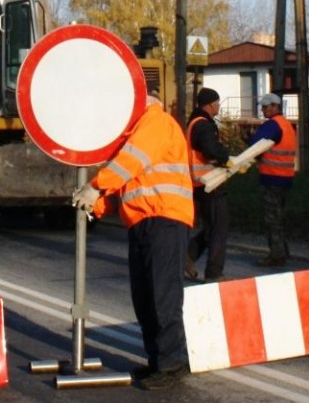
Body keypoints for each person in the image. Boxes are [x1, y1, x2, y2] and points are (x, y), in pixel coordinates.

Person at [72, 92, 193, 391]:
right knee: (145, 297)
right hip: (144, 221)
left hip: (164, 218)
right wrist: (96, 204)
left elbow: (129, 164)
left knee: (161, 295)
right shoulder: (138, 131)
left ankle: (171, 363)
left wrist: (96, 186)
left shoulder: (156, 122)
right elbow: (124, 180)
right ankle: (158, 360)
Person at [185, 88, 231, 282]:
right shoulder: (203, 125)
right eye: (217, 103)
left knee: (212, 227)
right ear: (210, 104)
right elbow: (211, 150)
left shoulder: (195, 122)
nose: (219, 106)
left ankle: (187, 257)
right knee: (219, 228)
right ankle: (214, 273)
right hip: (209, 183)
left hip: (200, 183)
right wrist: (226, 156)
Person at [249, 93, 297, 267]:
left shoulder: (272, 126)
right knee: (278, 217)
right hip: (285, 179)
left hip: (271, 178)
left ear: (275, 106)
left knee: (271, 220)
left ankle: (277, 256)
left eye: (265, 107)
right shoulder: (287, 126)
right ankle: (283, 250)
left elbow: (255, 144)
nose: (262, 110)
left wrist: (250, 137)